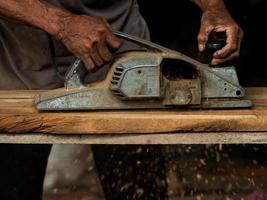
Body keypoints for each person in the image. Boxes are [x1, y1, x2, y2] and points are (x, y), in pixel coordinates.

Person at [0, 0, 243, 199]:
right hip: (20, 56)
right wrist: (60, 24)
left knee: (136, 186)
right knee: (12, 183)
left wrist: (214, 7)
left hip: (117, 51)